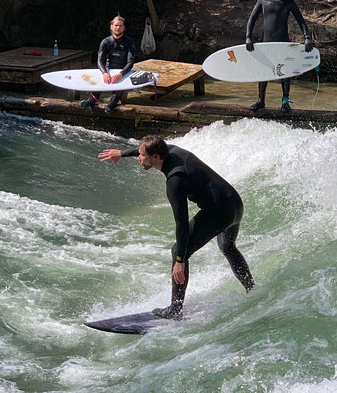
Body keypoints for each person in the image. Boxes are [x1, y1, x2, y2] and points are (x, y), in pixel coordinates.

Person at [98, 136, 254, 319]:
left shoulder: (175, 180)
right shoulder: (171, 150)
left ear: (155, 157)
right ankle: (252, 289)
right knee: (227, 247)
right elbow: (145, 148)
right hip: (234, 203)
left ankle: (175, 310)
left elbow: (181, 223)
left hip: (220, 211)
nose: (138, 158)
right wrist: (122, 153)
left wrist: (180, 259)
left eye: (141, 155)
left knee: (178, 250)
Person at [246, 0, 312, 112]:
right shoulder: (263, 0)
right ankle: (260, 101)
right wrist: (248, 37)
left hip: (283, 43)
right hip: (266, 43)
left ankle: (285, 102)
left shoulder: (288, 1)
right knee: (264, 72)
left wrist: (307, 37)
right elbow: (252, 19)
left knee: (285, 72)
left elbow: (301, 20)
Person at [81, 16, 135, 113]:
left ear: (124, 28)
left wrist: (121, 74)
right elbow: (99, 61)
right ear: (111, 27)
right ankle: (90, 102)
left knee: (118, 87)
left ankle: (111, 105)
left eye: (120, 26)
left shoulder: (129, 42)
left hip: (123, 71)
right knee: (99, 83)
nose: (117, 27)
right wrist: (104, 73)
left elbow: (130, 62)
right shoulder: (105, 42)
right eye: (116, 25)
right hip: (107, 69)